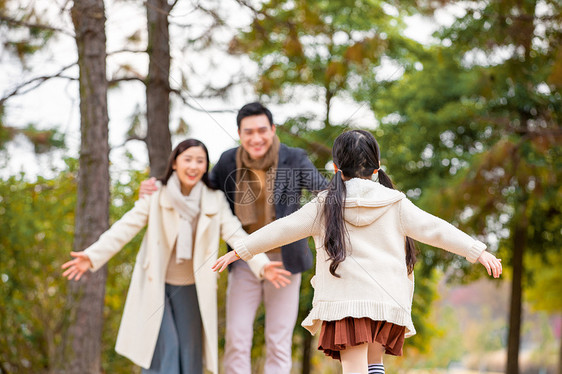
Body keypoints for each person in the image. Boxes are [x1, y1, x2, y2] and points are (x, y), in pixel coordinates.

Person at [212, 130, 503, 374]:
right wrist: (478, 251)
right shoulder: (395, 202)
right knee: (374, 365)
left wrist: (241, 250)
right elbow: (436, 229)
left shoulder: (324, 205)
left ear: (336, 168)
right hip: (384, 302)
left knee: (354, 370)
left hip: (346, 303)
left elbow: (281, 229)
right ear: (377, 166)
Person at [61, 139, 291, 374]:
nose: (193, 166)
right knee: (165, 348)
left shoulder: (214, 199)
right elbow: (126, 227)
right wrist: (91, 256)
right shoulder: (157, 195)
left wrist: (263, 265)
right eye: (187, 159)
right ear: (174, 163)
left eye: (200, 161)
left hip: (193, 287)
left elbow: (236, 234)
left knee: (190, 354)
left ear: (205, 167)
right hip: (156, 285)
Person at [140, 102, 328, 373]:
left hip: (285, 259)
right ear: (239, 133)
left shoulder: (294, 158)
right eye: (248, 132)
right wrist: (158, 184)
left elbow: (323, 192)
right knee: (237, 338)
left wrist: (353, 185)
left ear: (273, 130)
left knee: (279, 339)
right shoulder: (229, 160)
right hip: (243, 257)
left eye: (262, 130)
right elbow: (201, 186)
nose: (256, 138)